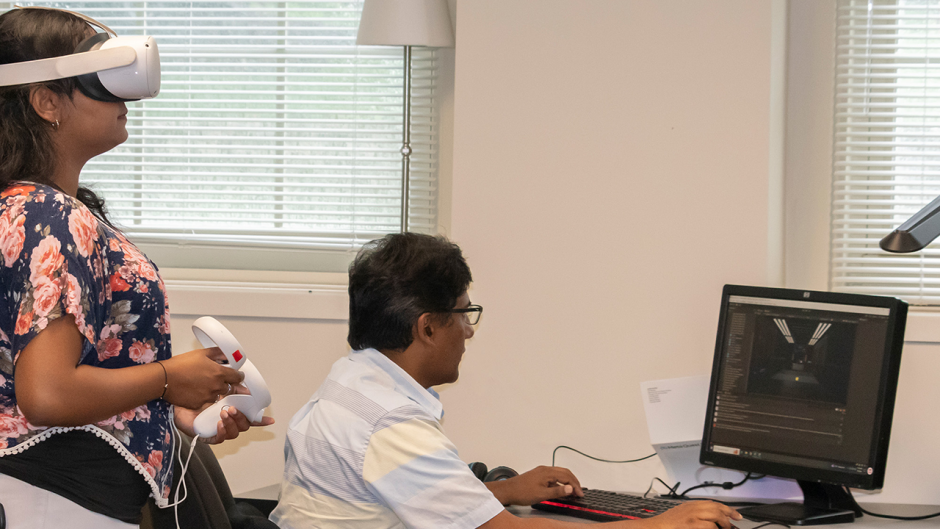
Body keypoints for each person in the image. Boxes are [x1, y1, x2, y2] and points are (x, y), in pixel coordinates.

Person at [0, 7, 273, 528]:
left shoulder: (30, 208)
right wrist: (169, 378)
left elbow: (61, 375)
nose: (123, 98)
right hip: (57, 497)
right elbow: (47, 394)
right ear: (45, 102)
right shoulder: (47, 214)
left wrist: (174, 412)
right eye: (101, 81)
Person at [269, 233, 742, 529]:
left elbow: (401, 499)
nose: (470, 330)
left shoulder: (351, 381)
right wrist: (657, 525)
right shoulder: (391, 425)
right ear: (428, 327)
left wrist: (501, 492)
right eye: (463, 313)